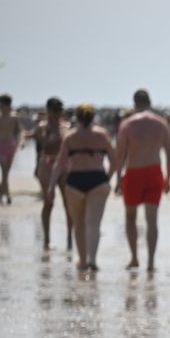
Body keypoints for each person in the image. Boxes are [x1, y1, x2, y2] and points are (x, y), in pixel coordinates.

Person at [48, 103, 115, 272]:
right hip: (98, 178)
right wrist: (110, 177)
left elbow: (60, 163)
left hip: (75, 180)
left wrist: (51, 186)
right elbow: (115, 161)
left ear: (76, 117)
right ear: (93, 117)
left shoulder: (70, 137)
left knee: (79, 223)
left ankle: (83, 260)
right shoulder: (102, 135)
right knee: (93, 223)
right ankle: (93, 259)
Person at [114, 89, 170, 272]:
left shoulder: (127, 124)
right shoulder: (161, 124)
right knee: (152, 220)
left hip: (134, 172)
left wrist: (118, 179)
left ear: (134, 103)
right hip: (154, 171)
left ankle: (134, 258)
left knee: (131, 217)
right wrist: (168, 178)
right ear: (150, 101)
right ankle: (150, 262)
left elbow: (120, 155)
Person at [31, 98, 70, 250]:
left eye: (60, 110)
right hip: (46, 165)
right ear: (48, 111)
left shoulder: (66, 127)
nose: (57, 113)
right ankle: (47, 239)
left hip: (63, 165)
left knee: (68, 203)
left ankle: (69, 239)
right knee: (48, 202)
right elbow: (40, 145)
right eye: (54, 110)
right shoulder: (42, 127)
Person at [0, 95, 21, 205]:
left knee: (6, 173)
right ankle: (7, 195)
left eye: (1, 104)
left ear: (7, 105)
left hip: (11, 146)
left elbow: (18, 131)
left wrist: (18, 143)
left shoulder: (14, 117)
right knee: (4, 171)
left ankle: (2, 195)